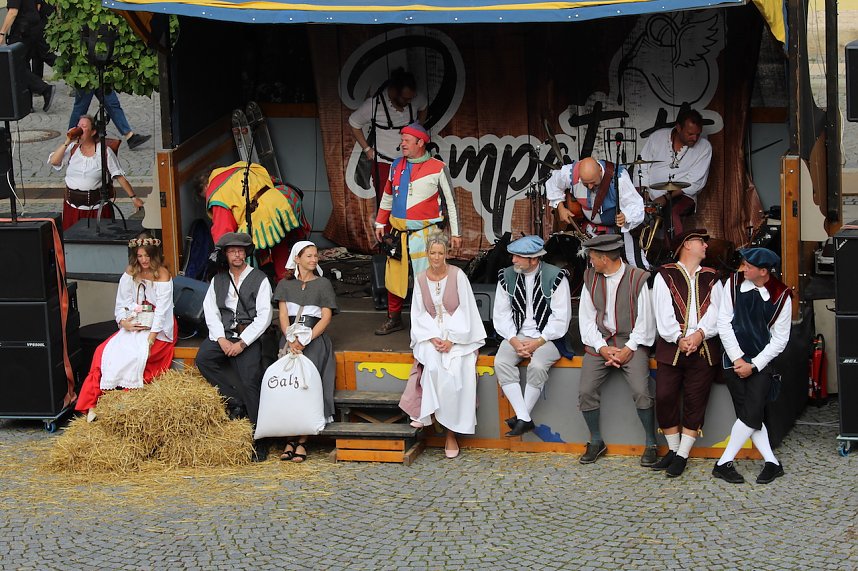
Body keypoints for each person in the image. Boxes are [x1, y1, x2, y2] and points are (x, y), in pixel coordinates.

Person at [402, 230, 486, 458]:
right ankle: (426, 411)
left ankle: (451, 434)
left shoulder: (458, 275)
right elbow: (418, 313)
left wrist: (452, 340)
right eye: (432, 253)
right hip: (430, 332)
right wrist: (431, 337)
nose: (436, 258)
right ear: (427, 253)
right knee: (432, 364)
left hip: (458, 334)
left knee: (457, 370)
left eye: (440, 253)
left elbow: (467, 309)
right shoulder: (421, 279)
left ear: (446, 253)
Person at [74, 235, 176, 421]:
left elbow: (162, 311)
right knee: (103, 352)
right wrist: (124, 323)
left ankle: (117, 402)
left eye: (147, 256)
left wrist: (151, 338)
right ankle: (92, 403)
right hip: (134, 323)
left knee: (136, 355)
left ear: (154, 255)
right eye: (140, 256)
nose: (143, 260)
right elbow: (121, 303)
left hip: (157, 328)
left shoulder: (162, 274)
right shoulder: (131, 272)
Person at [373, 122, 461, 335]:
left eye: (407, 140)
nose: (402, 144)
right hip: (398, 233)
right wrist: (380, 222)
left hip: (428, 234)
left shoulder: (438, 167)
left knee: (430, 278)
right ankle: (394, 318)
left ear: (420, 142)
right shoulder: (396, 165)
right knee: (394, 277)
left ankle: (430, 321)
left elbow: (451, 202)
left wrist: (456, 233)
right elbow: (388, 195)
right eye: (402, 140)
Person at [577, 234, 657, 466]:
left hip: (632, 341)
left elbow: (646, 321)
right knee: (585, 390)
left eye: (593, 257)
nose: (590, 261)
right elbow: (586, 319)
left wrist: (628, 349)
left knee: (641, 391)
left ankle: (651, 443)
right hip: (600, 341)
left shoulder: (638, 278)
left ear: (604, 258)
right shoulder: (590, 278)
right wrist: (602, 347)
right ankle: (596, 441)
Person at [714, 247, 791, 485]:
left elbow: (780, 339)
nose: (743, 269)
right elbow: (723, 323)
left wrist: (754, 365)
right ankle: (772, 463)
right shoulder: (733, 283)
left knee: (751, 412)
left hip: (761, 363)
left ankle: (723, 463)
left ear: (764, 271)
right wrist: (738, 359)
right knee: (749, 414)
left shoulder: (781, 296)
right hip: (733, 361)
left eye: (748, 266)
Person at [650, 229, 722, 477]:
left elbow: (717, 311)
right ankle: (672, 449)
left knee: (695, 400)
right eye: (701, 242)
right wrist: (678, 338)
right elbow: (662, 311)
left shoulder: (712, 277)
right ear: (686, 245)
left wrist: (700, 334)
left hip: (704, 348)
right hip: (673, 346)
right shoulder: (665, 274)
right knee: (665, 396)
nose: (706, 246)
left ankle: (682, 455)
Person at [196, 232, 273, 462]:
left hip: (248, 337)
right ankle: (234, 400)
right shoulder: (218, 280)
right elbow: (211, 311)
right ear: (226, 255)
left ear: (246, 254)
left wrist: (242, 343)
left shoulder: (259, 279)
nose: (237, 255)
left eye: (240, 251)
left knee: (250, 381)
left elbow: (264, 317)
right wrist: (221, 339)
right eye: (232, 251)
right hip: (224, 336)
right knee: (204, 359)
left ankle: (260, 439)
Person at [493, 235, 571, 437]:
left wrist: (538, 342)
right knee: (501, 362)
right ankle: (524, 418)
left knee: (537, 366)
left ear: (534, 259)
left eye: (518, 257)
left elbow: (561, 318)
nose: (513, 260)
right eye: (513, 256)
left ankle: (522, 418)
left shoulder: (556, 277)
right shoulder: (506, 276)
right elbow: (501, 315)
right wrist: (514, 340)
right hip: (516, 336)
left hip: (548, 338)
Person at [272, 240, 338, 463]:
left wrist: (307, 338)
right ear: (297, 259)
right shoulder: (285, 284)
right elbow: (283, 315)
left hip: (314, 339)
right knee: (289, 387)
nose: (314, 259)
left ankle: (302, 439)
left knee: (307, 386)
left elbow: (326, 317)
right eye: (309, 256)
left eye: (315, 255)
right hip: (290, 339)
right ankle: (290, 438)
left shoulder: (323, 284)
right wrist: (290, 338)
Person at [201, 162, 311, 282]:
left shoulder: (216, 190)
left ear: (206, 186)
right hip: (285, 198)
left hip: (265, 212)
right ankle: (287, 278)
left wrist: (220, 254)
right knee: (279, 240)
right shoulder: (240, 167)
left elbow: (224, 230)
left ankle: (254, 285)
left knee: (242, 248)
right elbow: (272, 180)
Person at [545, 156, 648, 268]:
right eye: (585, 184)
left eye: (593, 183)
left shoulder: (619, 178)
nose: (590, 187)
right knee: (594, 264)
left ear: (599, 170)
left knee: (635, 262)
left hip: (618, 228)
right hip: (590, 229)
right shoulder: (571, 172)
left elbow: (635, 205)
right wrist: (560, 207)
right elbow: (553, 182)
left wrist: (626, 216)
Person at [48, 114, 143, 230]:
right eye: (78, 126)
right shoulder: (72, 148)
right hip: (72, 208)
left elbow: (119, 176)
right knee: (72, 238)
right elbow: (54, 161)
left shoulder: (104, 151)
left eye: (83, 126)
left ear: (93, 132)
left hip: (96, 210)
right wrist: (67, 141)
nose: (79, 129)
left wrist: (133, 198)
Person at [349, 68, 428, 204]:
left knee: (413, 204)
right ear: (394, 91)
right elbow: (354, 122)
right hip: (384, 163)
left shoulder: (415, 99)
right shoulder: (374, 104)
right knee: (386, 204)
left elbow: (424, 107)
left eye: (411, 98)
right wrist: (367, 149)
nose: (409, 101)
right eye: (405, 98)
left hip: (411, 162)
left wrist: (418, 128)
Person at [639, 107, 712, 237]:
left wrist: (665, 198)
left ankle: (677, 247)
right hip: (651, 194)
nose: (695, 138)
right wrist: (643, 193)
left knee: (671, 213)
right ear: (678, 128)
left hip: (683, 195)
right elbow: (642, 167)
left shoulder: (704, 147)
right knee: (635, 214)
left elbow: (694, 183)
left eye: (698, 134)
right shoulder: (657, 137)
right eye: (690, 134)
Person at [0, 0, 55, 112]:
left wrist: (2, 33)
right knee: (23, 65)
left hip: (22, 30)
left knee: (15, 66)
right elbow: (38, 5)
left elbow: (13, 12)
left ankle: (44, 89)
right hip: (33, 27)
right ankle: (27, 104)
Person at [68, 89, 152, 150]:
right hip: (86, 74)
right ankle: (71, 137)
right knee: (81, 107)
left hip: (102, 73)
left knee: (112, 103)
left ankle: (129, 136)